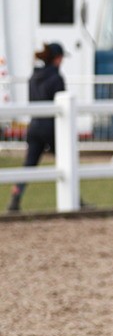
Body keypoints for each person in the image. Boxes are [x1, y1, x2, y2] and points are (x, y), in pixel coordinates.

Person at [7, 43, 66, 213]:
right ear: (57, 58)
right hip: (51, 128)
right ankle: (74, 199)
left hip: (34, 127)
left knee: (28, 166)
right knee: (66, 162)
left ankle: (15, 198)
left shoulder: (34, 76)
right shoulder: (56, 78)